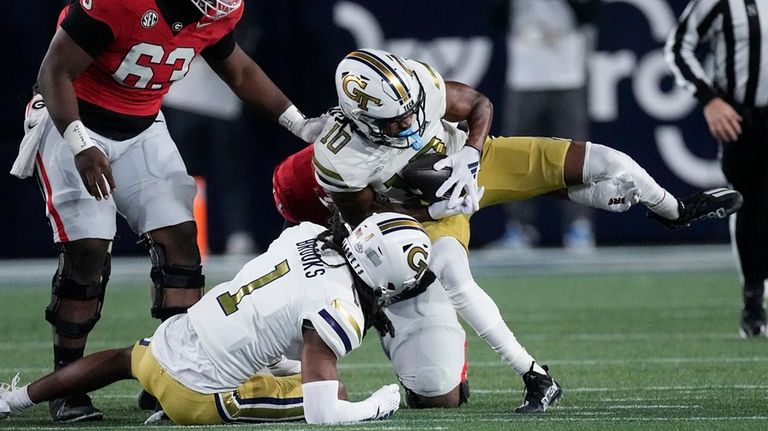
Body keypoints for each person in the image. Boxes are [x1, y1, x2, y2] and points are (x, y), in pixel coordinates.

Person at [307, 48, 742, 412]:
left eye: (411, 112)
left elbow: (479, 105)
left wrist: (472, 155)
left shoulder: (418, 86)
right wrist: (432, 206)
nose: (412, 123)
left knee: (612, 163)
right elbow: (370, 221)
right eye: (396, 122)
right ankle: (534, 374)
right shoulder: (341, 158)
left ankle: (674, 211)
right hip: (421, 215)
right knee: (450, 294)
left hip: (471, 164)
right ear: (361, 119)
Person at [9, 0, 324, 422]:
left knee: (180, 249)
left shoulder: (216, 12)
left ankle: (172, 372)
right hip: (72, 120)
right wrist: (81, 144)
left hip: (142, 124)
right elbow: (54, 72)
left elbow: (239, 69)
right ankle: (66, 383)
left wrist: (299, 124)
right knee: (87, 254)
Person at [0, 211, 432, 425]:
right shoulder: (341, 307)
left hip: (168, 345)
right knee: (332, 385)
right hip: (198, 396)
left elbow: (274, 311)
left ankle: (12, 401)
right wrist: (379, 404)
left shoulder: (307, 234)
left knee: (122, 358)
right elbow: (323, 411)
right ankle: (175, 408)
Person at [665, 0, 767, 338]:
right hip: (744, 119)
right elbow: (679, 47)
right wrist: (709, 99)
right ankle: (753, 300)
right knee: (748, 206)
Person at [497, 0, 600, 251]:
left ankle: (579, 227)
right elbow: (496, 18)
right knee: (517, 156)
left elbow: (590, 13)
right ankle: (519, 228)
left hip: (567, 75)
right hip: (524, 77)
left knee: (574, 157)